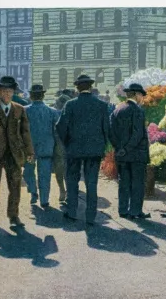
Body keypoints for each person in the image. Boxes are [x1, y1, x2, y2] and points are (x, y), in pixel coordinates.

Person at [56, 74, 111, 226]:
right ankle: (91, 216)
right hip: (94, 150)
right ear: (91, 87)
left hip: (74, 149)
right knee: (91, 183)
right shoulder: (101, 105)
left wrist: (67, 143)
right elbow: (107, 128)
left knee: (72, 181)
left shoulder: (70, 105)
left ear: (77, 88)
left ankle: (72, 212)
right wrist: (102, 146)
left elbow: (60, 126)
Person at [0, 76, 34, 229]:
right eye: (4, 91)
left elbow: (25, 132)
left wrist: (29, 152)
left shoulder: (19, 109)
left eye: (10, 91)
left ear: (13, 92)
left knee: (15, 187)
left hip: (14, 154)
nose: (7, 94)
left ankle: (13, 216)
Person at [111, 83, 150, 219]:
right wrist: (126, 149)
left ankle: (122, 210)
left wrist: (119, 148)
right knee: (137, 183)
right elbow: (137, 134)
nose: (142, 98)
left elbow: (111, 132)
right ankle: (135, 211)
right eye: (141, 95)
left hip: (121, 154)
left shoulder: (117, 110)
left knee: (124, 183)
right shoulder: (138, 110)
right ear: (136, 95)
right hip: (137, 154)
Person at [22, 84, 61, 210]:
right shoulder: (52, 111)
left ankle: (33, 190)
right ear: (43, 96)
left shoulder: (24, 110)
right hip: (46, 148)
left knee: (28, 172)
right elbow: (57, 131)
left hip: (29, 149)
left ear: (31, 96)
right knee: (45, 175)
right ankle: (44, 200)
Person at [50, 89, 72, 206]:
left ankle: (62, 190)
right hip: (68, 146)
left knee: (59, 170)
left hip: (58, 145)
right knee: (68, 171)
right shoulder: (71, 113)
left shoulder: (53, 112)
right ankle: (67, 191)